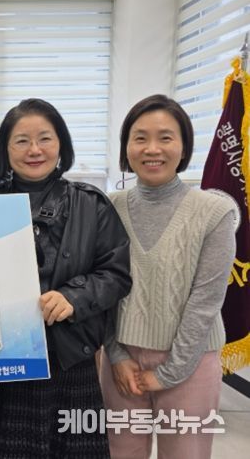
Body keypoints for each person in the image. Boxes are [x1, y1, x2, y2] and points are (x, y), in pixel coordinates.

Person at [0, 98, 131, 458]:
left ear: (61, 144)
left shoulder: (91, 203)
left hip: (70, 359)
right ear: (5, 149)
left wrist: (74, 296)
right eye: (21, 140)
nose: (34, 150)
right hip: (3, 361)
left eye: (45, 138)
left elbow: (116, 273)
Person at [101, 94, 237, 459]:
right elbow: (102, 288)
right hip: (121, 359)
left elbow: (206, 302)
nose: (152, 149)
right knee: (120, 451)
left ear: (184, 146)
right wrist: (116, 354)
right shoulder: (108, 207)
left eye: (165, 137)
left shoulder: (215, 212)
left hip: (191, 360)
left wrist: (169, 372)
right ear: (126, 147)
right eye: (140, 138)